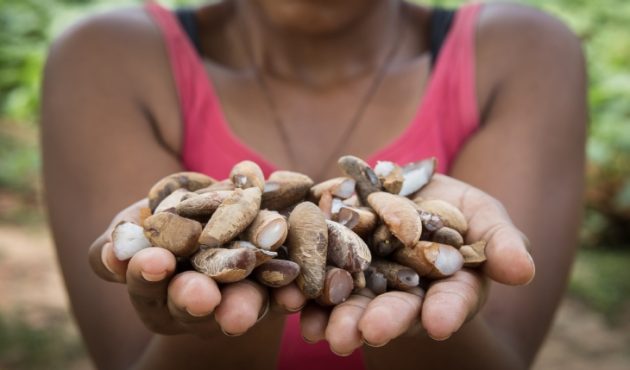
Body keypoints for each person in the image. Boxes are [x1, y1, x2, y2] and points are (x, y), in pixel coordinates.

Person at [41, 0, 586, 369]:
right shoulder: (108, 54)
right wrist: (232, 297)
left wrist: (412, 297)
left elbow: (506, 356)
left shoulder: (521, 48)